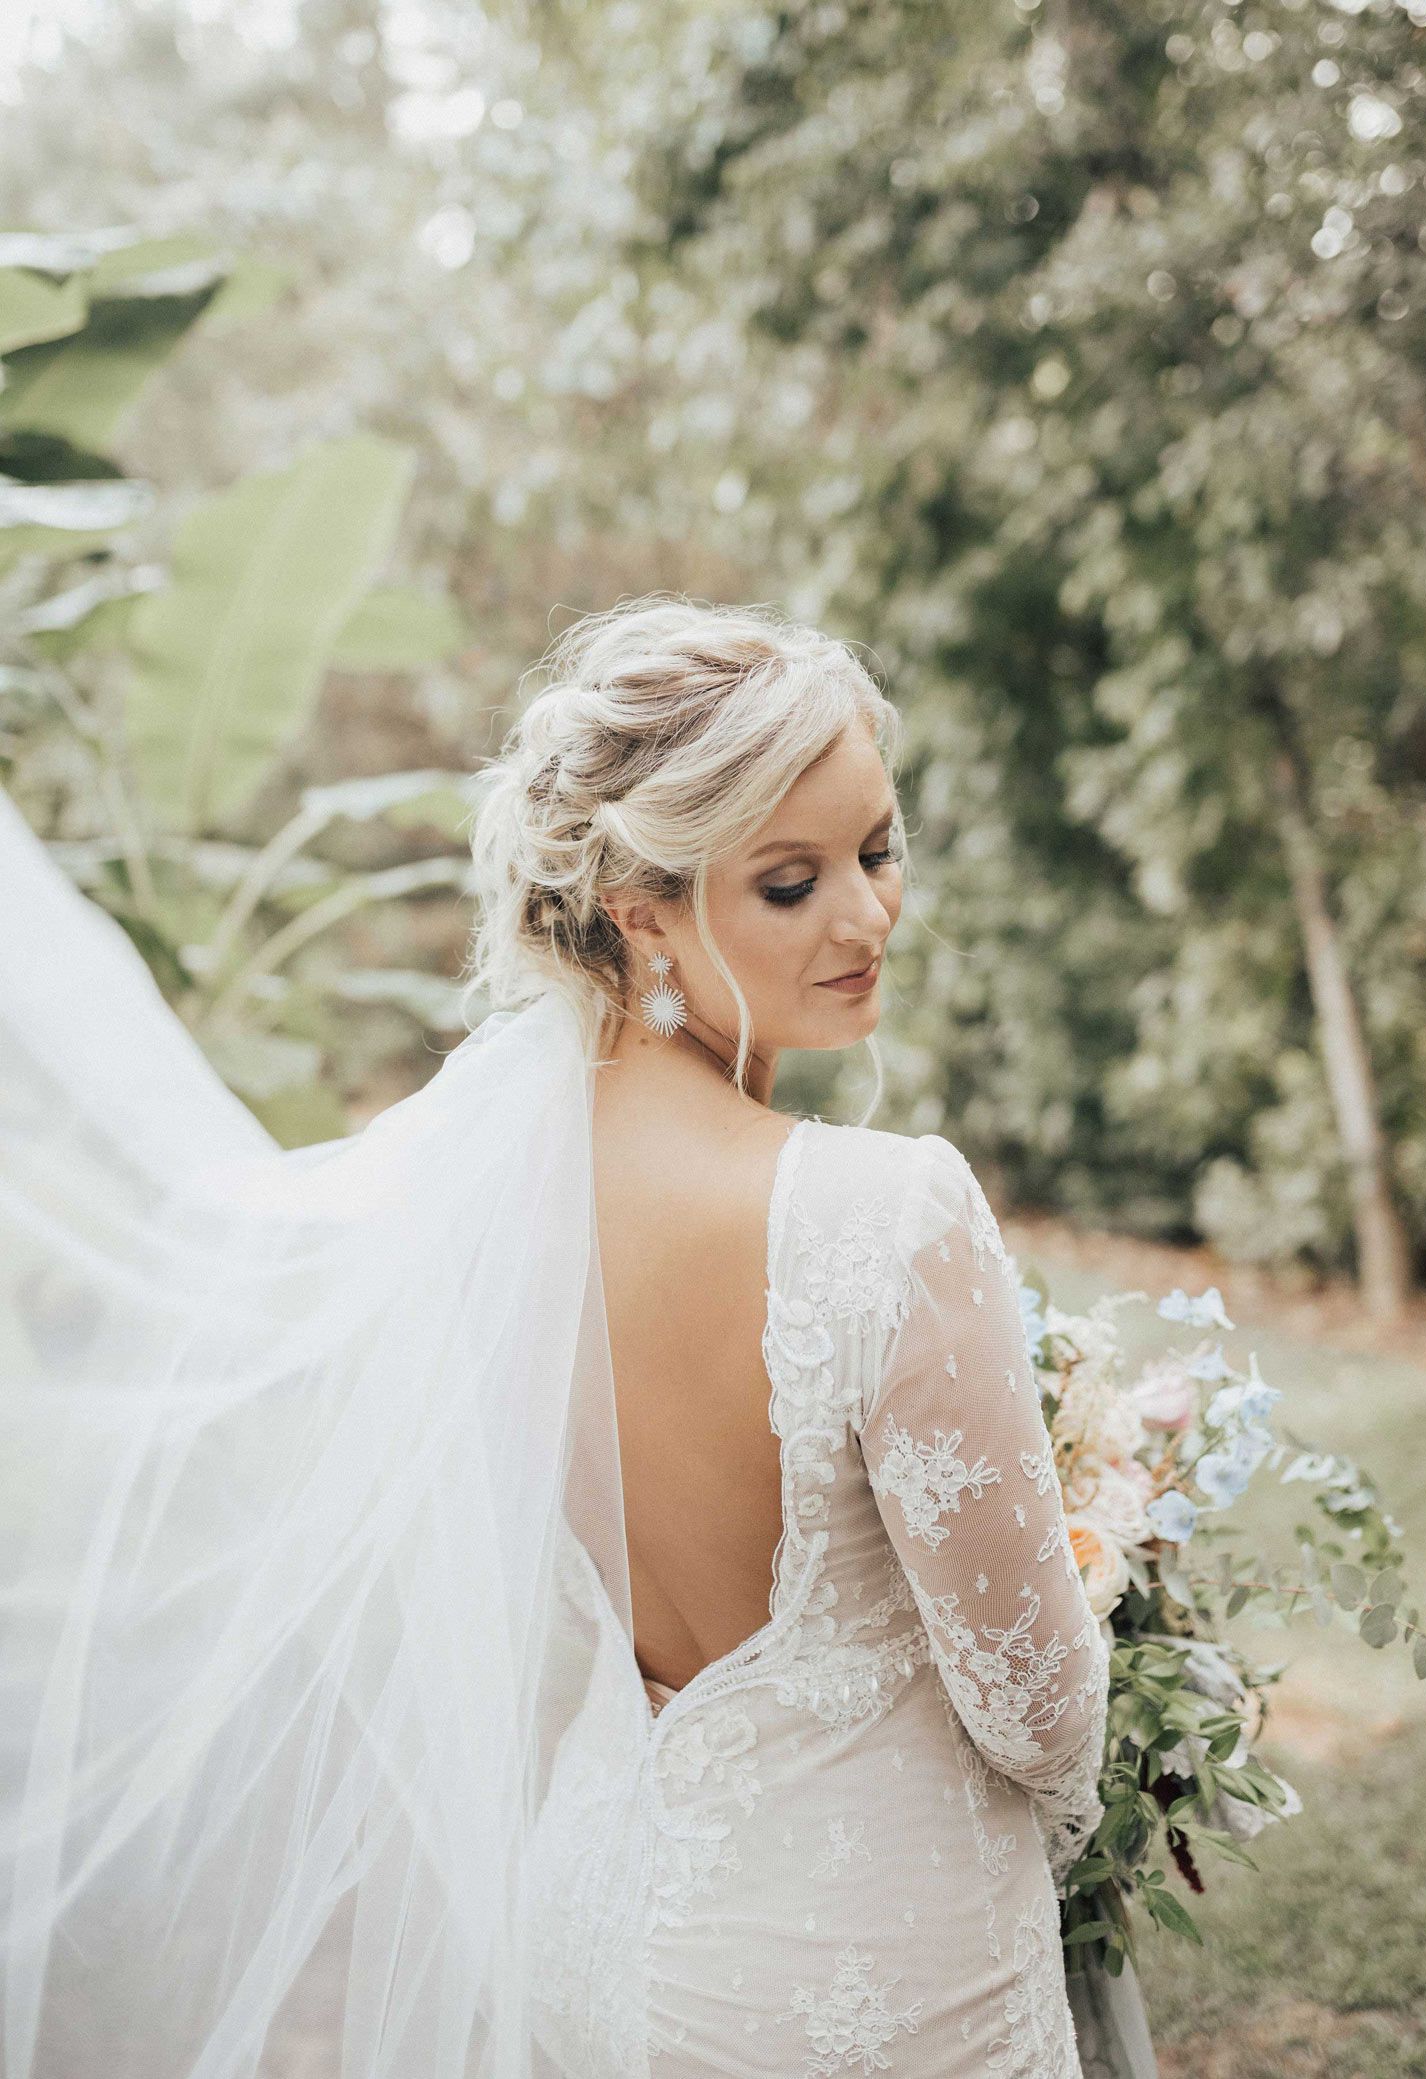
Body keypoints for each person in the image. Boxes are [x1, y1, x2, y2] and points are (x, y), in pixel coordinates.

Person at [0, 596, 1109, 2078]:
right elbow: (1038, 1717)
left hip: (598, 1935)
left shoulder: (481, 1196)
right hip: (874, 1972)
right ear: (642, 907)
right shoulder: (885, 1215)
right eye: (791, 882)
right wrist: (1111, 1566)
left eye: (878, 849)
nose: (867, 914)